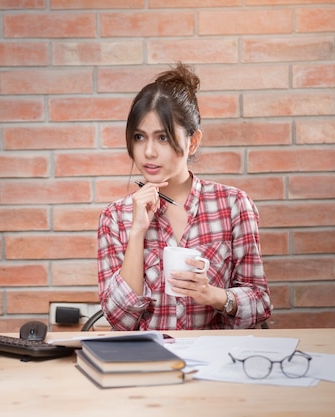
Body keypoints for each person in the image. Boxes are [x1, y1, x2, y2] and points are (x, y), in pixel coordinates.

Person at [97, 63, 272, 330]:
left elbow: (260, 304)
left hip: (215, 362)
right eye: (139, 137)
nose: (149, 152)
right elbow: (119, 320)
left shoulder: (233, 205)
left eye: (163, 138)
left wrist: (213, 295)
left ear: (193, 142)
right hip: (146, 363)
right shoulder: (115, 217)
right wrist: (137, 233)